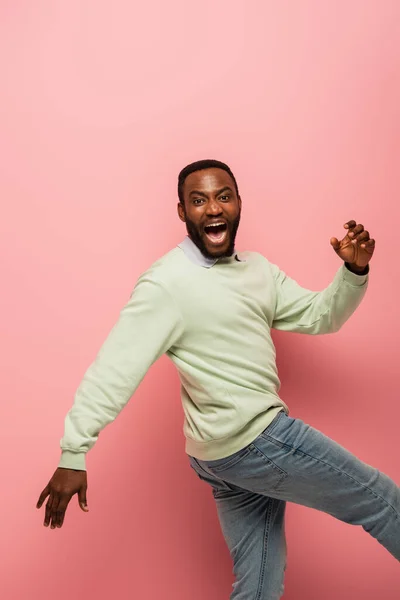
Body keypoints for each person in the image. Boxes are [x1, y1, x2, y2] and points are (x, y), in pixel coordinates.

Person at [37, 159, 399, 597]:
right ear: (181, 212)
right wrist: (73, 451)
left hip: (222, 459)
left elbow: (319, 316)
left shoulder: (258, 269)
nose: (213, 209)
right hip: (259, 441)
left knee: (260, 581)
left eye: (223, 196)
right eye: (198, 200)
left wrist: (353, 273)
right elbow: (114, 369)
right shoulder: (167, 283)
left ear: (239, 203)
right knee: (383, 502)